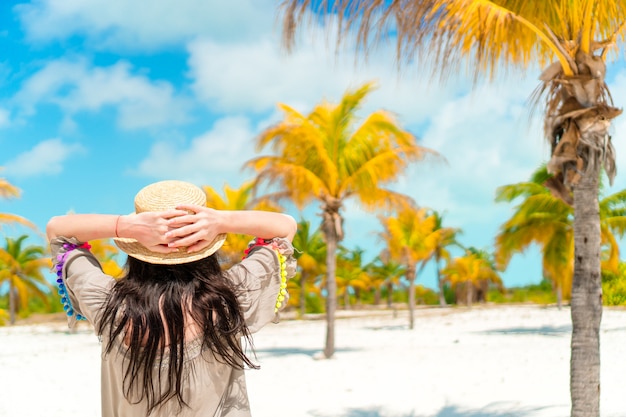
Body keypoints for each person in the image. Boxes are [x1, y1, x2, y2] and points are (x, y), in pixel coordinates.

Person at [46, 180, 297, 417]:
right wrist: (221, 220)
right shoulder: (233, 297)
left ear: (135, 249)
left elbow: (57, 230)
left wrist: (125, 226)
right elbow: (285, 228)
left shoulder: (107, 303)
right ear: (207, 245)